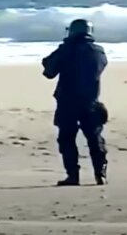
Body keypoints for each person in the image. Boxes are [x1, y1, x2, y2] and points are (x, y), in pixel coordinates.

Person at [41, 18, 109, 186]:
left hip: (67, 102)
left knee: (67, 139)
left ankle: (73, 176)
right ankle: (100, 174)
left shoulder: (66, 50)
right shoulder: (99, 52)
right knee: (95, 138)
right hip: (91, 101)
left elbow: (49, 71)